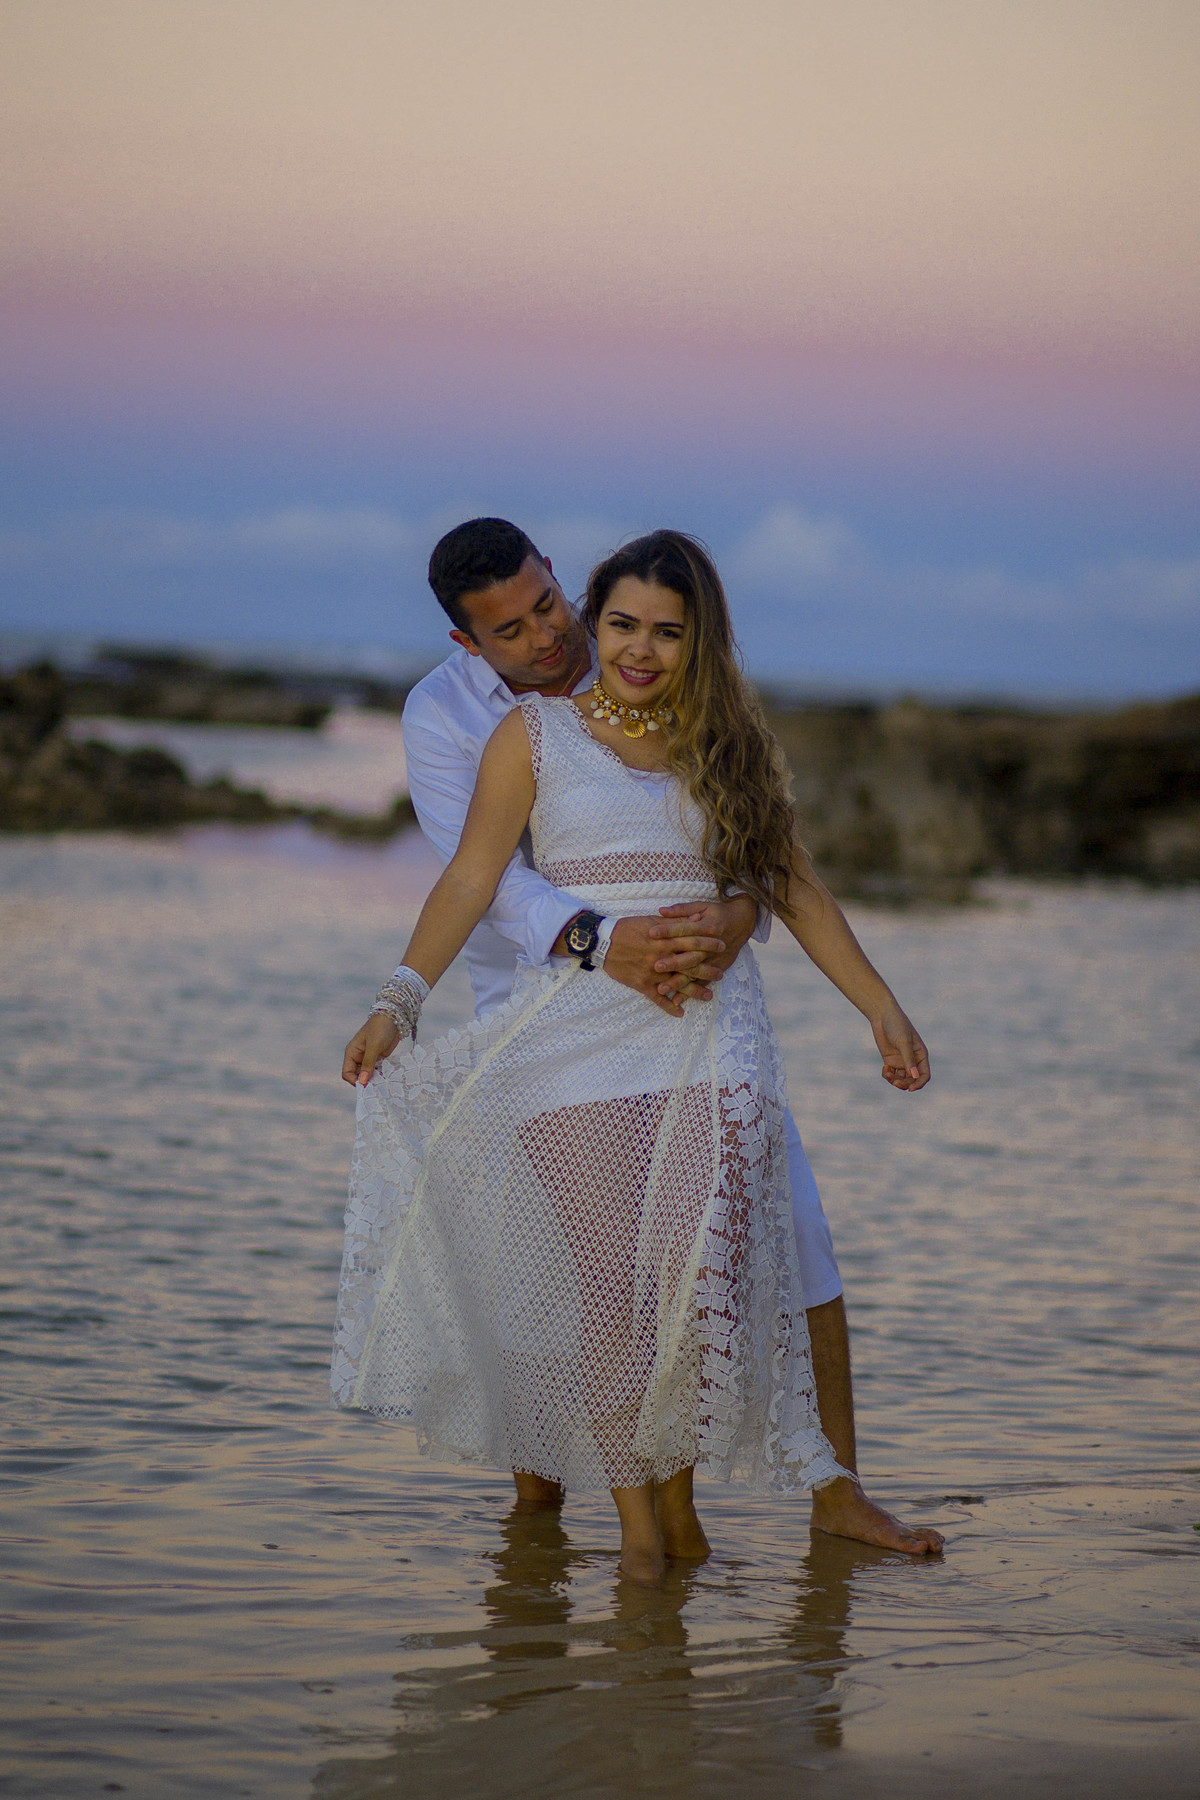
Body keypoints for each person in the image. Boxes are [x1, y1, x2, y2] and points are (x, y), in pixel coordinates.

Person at [335, 527, 943, 1579]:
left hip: (708, 1029)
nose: (563, 635)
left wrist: (873, 1004)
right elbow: (479, 879)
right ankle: (636, 1536)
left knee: (727, 1266)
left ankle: (810, 1495)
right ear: (465, 639)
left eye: (559, 608)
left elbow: (785, 881)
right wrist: (402, 999)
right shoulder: (488, 725)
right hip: (559, 1018)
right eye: (617, 625)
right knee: (602, 1290)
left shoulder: (722, 735)